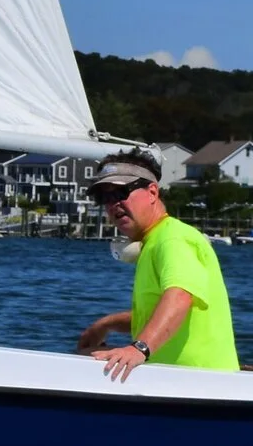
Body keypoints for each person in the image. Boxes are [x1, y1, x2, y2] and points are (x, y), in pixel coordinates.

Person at [75, 150, 238, 378]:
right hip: (174, 381)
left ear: (152, 192)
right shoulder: (154, 241)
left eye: (122, 192)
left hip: (199, 388)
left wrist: (138, 349)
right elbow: (158, 312)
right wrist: (106, 324)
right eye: (106, 198)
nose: (114, 204)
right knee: (85, 356)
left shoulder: (173, 238)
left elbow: (180, 296)